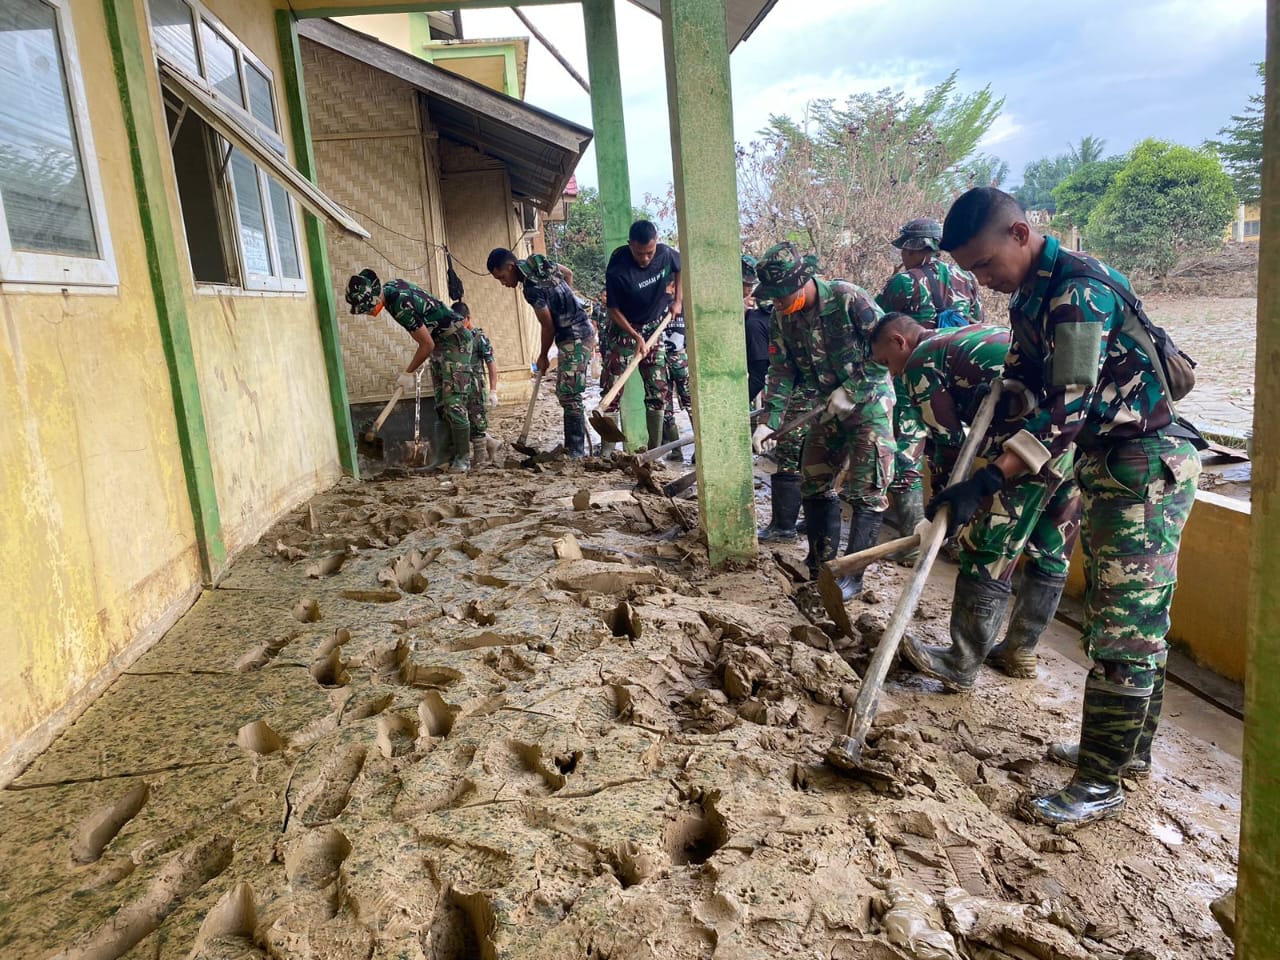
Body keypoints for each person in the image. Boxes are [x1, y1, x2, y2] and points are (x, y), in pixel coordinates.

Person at [932, 187, 1202, 827]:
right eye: (971, 271)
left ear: (1019, 234)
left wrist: (990, 479)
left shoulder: (1078, 292)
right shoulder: (1031, 293)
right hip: (1107, 460)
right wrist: (980, 457)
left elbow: (1069, 411)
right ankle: (1126, 754)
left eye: (986, 263)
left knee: (1124, 631)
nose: (983, 280)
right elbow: (1025, 385)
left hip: (1145, 466)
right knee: (1129, 623)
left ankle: (1100, 781)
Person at [870, 314, 1082, 688]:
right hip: (1070, 437)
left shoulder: (921, 360)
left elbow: (949, 442)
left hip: (1025, 449)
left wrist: (945, 506)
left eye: (886, 362)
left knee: (987, 547)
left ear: (899, 341)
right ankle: (1019, 650)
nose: (892, 374)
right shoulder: (959, 336)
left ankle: (960, 662)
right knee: (1051, 547)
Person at [752, 242, 892, 600]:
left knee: (867, 492)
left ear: (803, 281)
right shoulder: (783, 318)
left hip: (869, 405)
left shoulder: (849, 299)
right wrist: (770, 419)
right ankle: (820, 565)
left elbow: (889, 348)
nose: (778, 304)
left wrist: (854, 388)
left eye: (781, 296)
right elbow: (781, 370)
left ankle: (851, 577)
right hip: (825, 406)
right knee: (813, 478)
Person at [876, 218, 986, 561]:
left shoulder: (903, 282)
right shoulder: (966, 277)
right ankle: (951, 539)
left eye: (906, 249)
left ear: (915, 248)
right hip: (958, 376)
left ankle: (913, 539)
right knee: (954, 451)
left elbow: (882, 328)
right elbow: (978, 321)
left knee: (908, 451)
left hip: (917, 371)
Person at [345, 268, 474, 472]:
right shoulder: (390, 289)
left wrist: (408, 373)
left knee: (453, 403)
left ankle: (463, 459)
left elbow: (426, 345)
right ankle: (442, 458)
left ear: (373, 300)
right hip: (441, 342)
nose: (369, 314)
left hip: (454, 340)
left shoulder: (399, 304)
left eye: (367, 309)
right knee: (441, 403)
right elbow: (429, 341)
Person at [487, 248, 596, 459]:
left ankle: (576, 452)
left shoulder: (531, 289)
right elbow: (568, 273)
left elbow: (547, 326)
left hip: (575, 335)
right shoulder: (539, 261)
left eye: (502, 277)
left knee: (569, 393)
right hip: (577, 330)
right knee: (567, 392)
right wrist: (568, 303)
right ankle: (577, 445)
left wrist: (543, 355)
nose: (503, 283)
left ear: (510, 267)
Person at [604, 220, 681, 449]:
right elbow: (613, 310)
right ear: (630, 246)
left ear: (656, 243)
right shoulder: (618, 268)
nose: (645, 258)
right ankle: (606, 453)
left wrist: (677, 301)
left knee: (658, 390)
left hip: (655, 326)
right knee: (612, 387)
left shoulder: (666, 254)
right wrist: (635, 337)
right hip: (625, 329)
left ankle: (654, 453)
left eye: (649, 253)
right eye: (639, 253)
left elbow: (680, 269)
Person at [452, 301, 501, 469]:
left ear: (468, 318)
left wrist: (493, 390)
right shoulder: (454, 337)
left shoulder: (479, 338)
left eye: (461, 321)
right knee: (461, 421)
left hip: (474, 385)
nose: (458, 325)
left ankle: (480, 460)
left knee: (477, 420)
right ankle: (491, 443)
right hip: (458, 384)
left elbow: (491, 365)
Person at [743, 255, 773, 404]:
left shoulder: (753, 325)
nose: (748, 290)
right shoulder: (755, 319)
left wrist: (738, 408)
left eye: (749, 286)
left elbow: (757, 378)